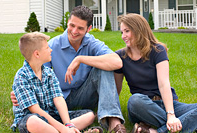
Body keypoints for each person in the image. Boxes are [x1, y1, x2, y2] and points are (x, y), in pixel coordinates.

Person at [11, 5, 126, 133]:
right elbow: (33, 71)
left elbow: (117, 62)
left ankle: (113, 121)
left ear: (89, 29)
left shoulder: (91, 43)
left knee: (104, 67)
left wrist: (80, 59)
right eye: (72, 25)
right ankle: (63, 129)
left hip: (82, 97)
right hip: (57, 102)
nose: (74, 31)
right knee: (36, 120)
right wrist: (20, 93)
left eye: (80, 28)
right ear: (67, 22)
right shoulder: (51, 46)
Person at [114, 13, 197, 133]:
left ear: (139, 30)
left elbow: (164, 83)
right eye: (122, 32)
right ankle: (184, 124)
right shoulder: (120, 56)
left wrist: (171, 114)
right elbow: (116, 89)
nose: (123, 36)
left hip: (166, 104)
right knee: (134, 100)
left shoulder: (158, 50)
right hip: (142, 107)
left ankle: (155, 131)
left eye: (127, 31)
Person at [11, 32, 99, 133]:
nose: (51, 50)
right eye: (47, 48)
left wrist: (68, 124)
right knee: (33, 121)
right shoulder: (21, 77)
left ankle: (62, 130)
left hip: (52, 115)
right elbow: (35, 110)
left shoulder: (49, 73)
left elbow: (58, 99)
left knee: (89, 115)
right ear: (37, 54)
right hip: (32, 118)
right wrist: (63, 128)